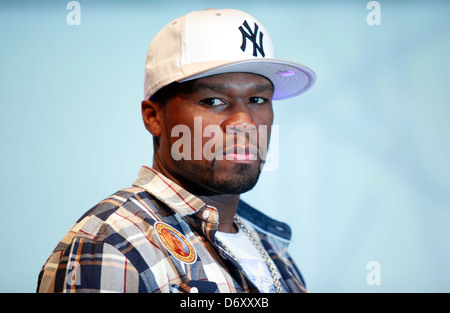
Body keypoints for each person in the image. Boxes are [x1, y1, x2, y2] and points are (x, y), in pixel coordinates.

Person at [37, 8, 316, 293]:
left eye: (257, 99)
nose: (244, 122)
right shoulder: (112, 245)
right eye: (212, 101)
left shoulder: (273, 250)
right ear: (153, 117)